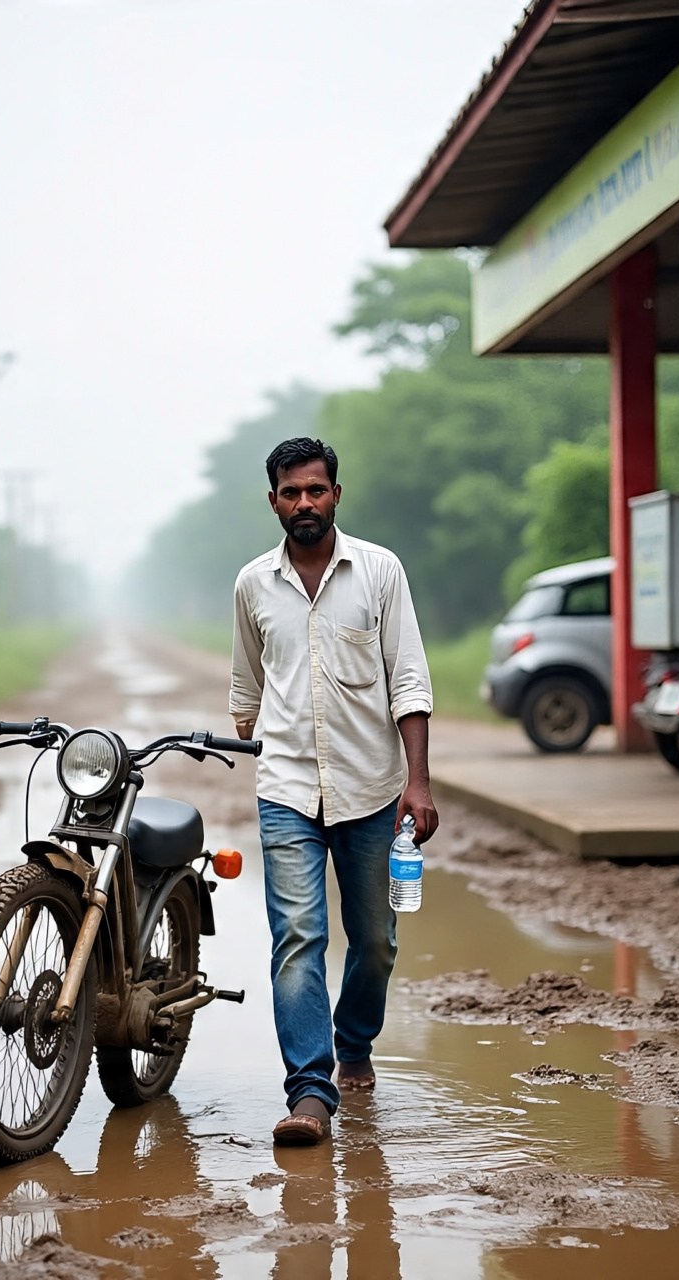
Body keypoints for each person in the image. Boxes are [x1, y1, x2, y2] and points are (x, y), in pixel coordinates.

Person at [229, 436, 439, 1147]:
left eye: (316, 490)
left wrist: (419, 781)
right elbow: (246, 685)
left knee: (374, 941)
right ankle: (310, 1094)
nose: (304, 504)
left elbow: (408, 677)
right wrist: (260, 732)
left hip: (373, 790)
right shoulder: (253, 583)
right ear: (274, 502)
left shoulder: (379, 572)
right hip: (286, 788)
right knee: (298, 939)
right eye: (291, 493)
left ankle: (356, 1043)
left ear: (336, 495)